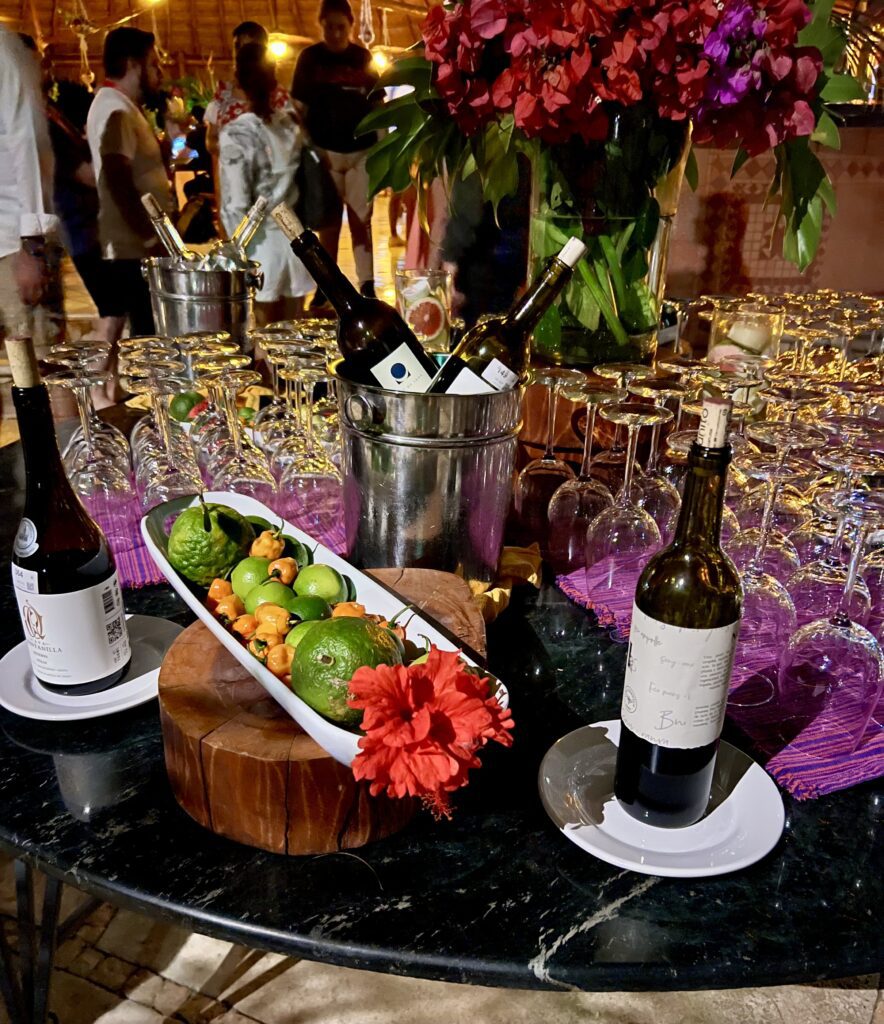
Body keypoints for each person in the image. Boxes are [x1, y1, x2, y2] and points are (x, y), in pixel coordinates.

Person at [291, 0, 379, 305]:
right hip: (325, 154)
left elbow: (378, 105)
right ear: (321, 25)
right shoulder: (309, 59)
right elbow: (298, 110)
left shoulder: (362, 57)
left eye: (341, 26)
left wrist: (382, 150)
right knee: (327, 227)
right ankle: (326, 288)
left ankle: (366, 285)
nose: (335, 32)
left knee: (361, 221)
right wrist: (310, 150)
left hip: (361, 153)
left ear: (351, 26)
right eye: (329, 26)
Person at [218, 43, 313, 324]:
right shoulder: (290, 126)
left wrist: (235, 253)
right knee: (293, 339)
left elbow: (236, 204)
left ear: (238, 81)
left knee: (263, 339)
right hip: (295, 242)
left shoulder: (235, 134)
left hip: (259, 249)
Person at [86, 27, 170, 338]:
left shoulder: (120, 106)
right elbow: (116, 178)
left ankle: (111, 387)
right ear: (133, 64)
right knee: (147, 337)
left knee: (140, 331)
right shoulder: (114, 109)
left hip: (134, 246)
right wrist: (149, 236)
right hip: (131, 247)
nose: (159, 73)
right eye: (153, 64)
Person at [0, 27, 58, 348]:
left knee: (44, 367)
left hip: (11, 246)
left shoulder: (2, 49)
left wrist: (32, 245)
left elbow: (28, 144)